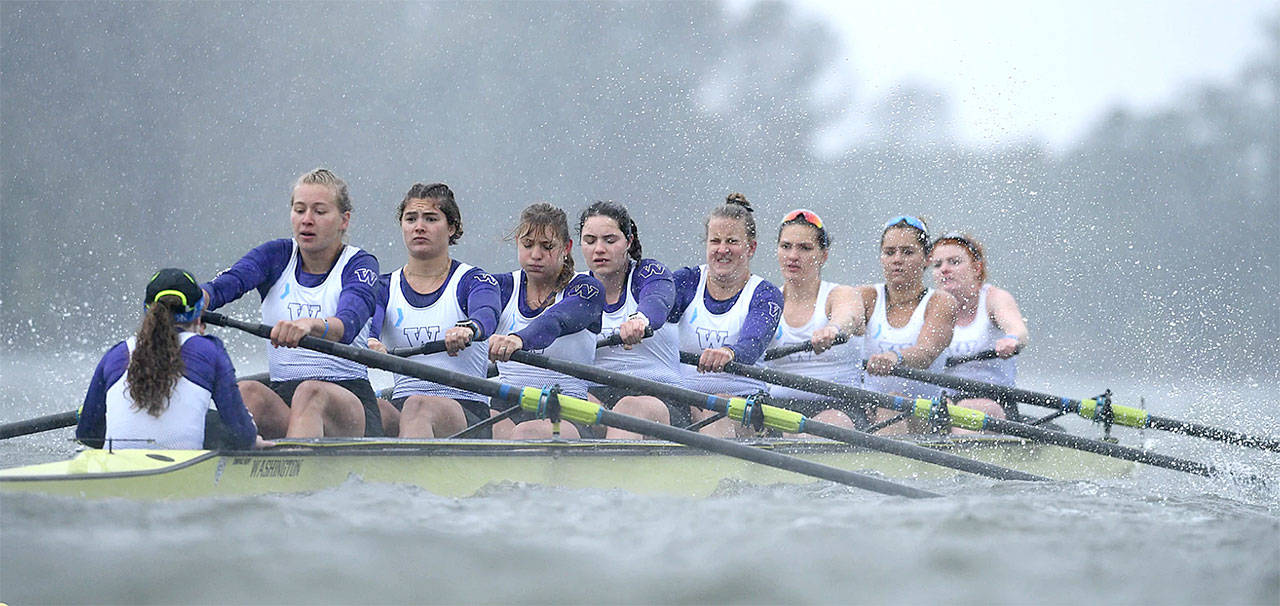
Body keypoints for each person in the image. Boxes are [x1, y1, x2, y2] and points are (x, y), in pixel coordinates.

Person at [201, 168, 382, 438]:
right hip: (284, 395)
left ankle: (293, 476)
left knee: (310, 392)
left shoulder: (360, 264)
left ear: (344, 220)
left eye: (319, 212)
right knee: (248, 392)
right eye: (300, 210)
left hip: (349, 401)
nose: (307, 221)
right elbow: (224, 287)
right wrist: (190, 301)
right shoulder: (276, 255)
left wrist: (311, 325)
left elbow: (349, 322)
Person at [366, 183, 501, 438]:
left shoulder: (473, 281)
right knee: (371, 410)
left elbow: (487, 314)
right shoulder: (383, 286)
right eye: (411, 219)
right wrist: (370, 340)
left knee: (418, 406)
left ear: (452, 228)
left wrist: (470, 328)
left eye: (430, 218)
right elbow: (369, 321)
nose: (419, 226)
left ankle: (411, 477)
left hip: (466, 411)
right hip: (404, 404)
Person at [77, 268, 264, 450]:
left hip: (117, 470)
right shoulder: (209, 350)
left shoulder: (116, 354)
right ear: (199, 312)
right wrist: (251, 440)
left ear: (147, 310)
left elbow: (87, 433)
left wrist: (96, 414)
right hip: (183, 473)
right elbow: (242, 436)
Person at [670, 193, 784, 437]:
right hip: (686, 400)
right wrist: (640, 320)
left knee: (718, 406)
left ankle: (718, 474)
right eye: (715, 241)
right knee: (637, 406)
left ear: (750, 247)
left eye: (732, 241)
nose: (722, 250)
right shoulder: (687, 281)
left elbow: (753, 344)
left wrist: (729, 353)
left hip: (743, 400)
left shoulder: (765, 294)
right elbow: (655, 310)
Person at [488, 202, 605, 439]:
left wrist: (519, 339)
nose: (536, 255)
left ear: (567, 247)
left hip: (566, 409)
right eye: (528, 245)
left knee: (526, 432)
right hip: (505, 409)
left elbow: (557, 320)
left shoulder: (587, 289)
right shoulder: (498, 287)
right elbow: (479, 316)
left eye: (547, 246)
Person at [578, 200, 682, 439]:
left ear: (629, 241)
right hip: (595, 393)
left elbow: (657, 300)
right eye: (590, 241)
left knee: (628, 408)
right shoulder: (575, 289)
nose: (599, 249)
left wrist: (641, 320)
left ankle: (614, 474)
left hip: (658, 396)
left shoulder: (650, 274)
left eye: (610, 240)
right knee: (555, 400)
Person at [763, 209, 865, 431]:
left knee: (818, 427)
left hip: (838, 405)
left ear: (823, 255)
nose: (793, 256)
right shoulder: (766, 302)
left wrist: (833, 329)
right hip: (777, 406)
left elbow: (848, 315)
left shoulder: (840, 293)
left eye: (805, 248)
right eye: (786, 246)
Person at [859, 215, 957, 434]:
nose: (897, 259)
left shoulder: (940, 302)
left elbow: (926, 353)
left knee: (893, 402)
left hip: (925, 414)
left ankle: (881, 465)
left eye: (908, 252)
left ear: (926, 258)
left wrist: (896, 357)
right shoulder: (866, 296)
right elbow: (844, 324)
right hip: (869, 409)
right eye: (889, 252)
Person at [930, 231, 1029, 427]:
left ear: (977, 268)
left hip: (993, 400)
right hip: (944, 399)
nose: (944, 270)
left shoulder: (994, 299)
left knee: (968, 408)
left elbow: (1019, 330)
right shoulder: (929, 306)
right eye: (937, 264)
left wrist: (1012, 339)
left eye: (954, 262)